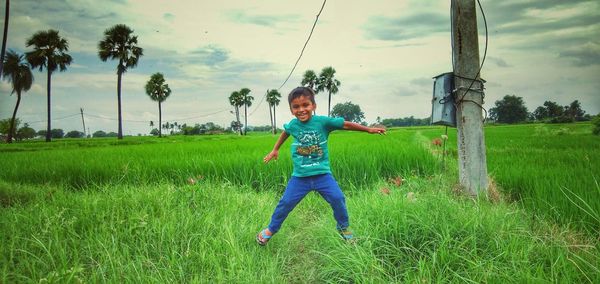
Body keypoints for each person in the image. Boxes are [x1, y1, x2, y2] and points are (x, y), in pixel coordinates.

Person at [257, 86, 386, 246]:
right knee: (285, 203)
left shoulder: (323, 122)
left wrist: (368, 130)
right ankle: (271, 230)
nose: (301, 110)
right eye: (296, 107)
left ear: (313, 106)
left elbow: (345, 124)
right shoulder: (293, 124)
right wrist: (275, 149)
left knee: (338, 198)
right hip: (300, 178)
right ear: (291, 110)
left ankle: (343, 228)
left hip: (322, 175)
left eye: (305, 105)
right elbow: (286, 132)